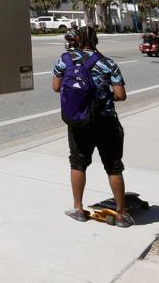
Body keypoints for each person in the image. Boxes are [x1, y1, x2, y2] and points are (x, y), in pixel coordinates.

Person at [52, 25, 132, 226]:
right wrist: (102, 95)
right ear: (96, 40)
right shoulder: (108, 63)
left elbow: (56, 87)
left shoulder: (65, 60)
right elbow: (121, 95)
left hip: (79, 121)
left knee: (78, 163)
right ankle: (121, 214)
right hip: (106, 121)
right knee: (113, 166)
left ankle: (78, 209)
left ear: (76, 40)